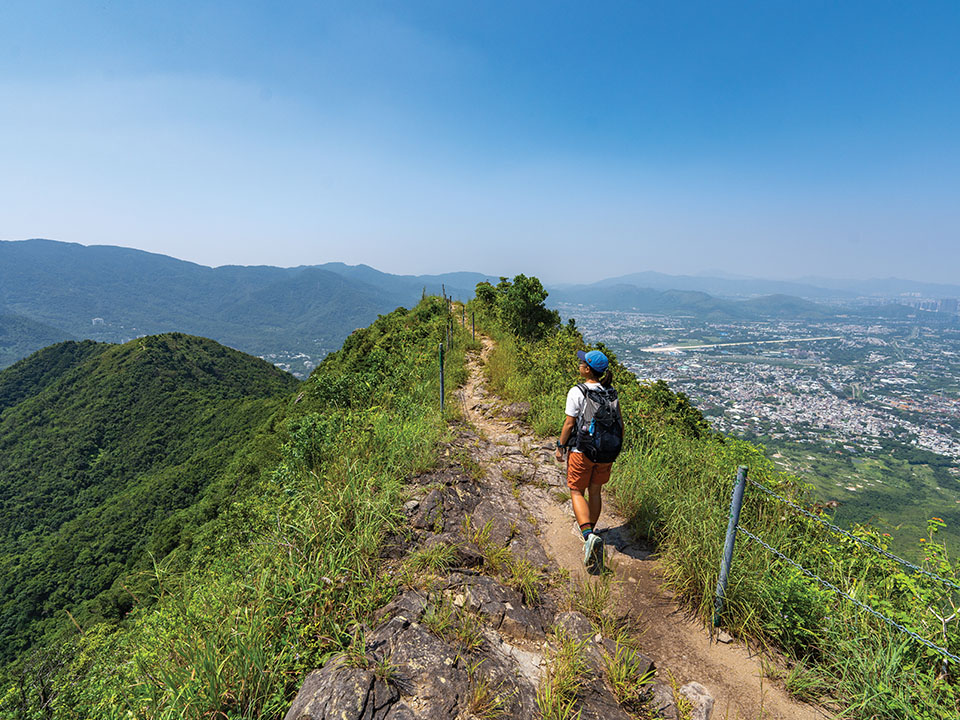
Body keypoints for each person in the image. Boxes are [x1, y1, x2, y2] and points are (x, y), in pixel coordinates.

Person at [554, 349, 623, 570]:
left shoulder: (578, 391)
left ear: (587, 369)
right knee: (595, 491)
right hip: (607, 452)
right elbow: (620, 424)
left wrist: (560, 446)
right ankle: (592, 533)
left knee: (576, 491)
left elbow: (569, 424)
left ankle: (587, 536)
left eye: (582, 362)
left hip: (582, 450)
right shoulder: (611, 392)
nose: (580, 364)